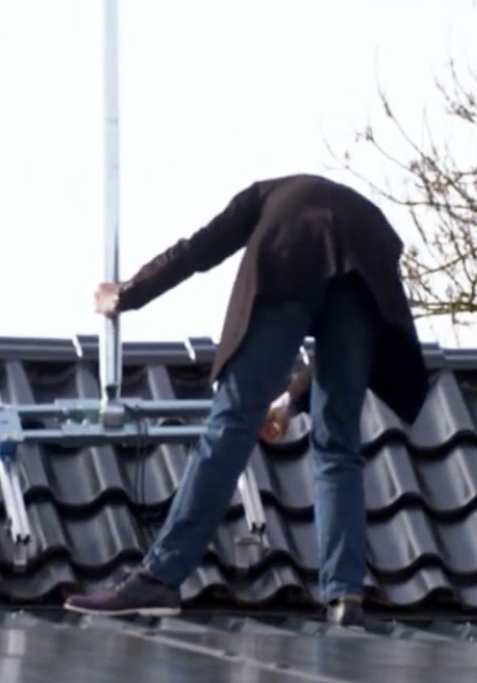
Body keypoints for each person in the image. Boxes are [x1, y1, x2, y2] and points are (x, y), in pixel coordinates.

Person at [63, 173, 430, 627]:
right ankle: (345, 595)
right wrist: (291, 404)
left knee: (233, 423)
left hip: (290, 253)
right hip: (367, 260)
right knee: (338, 442)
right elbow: (352, 329)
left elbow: (197, 251)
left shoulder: (268, 197)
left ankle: (160, 575)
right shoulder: (350, 220)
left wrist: (127, 294)